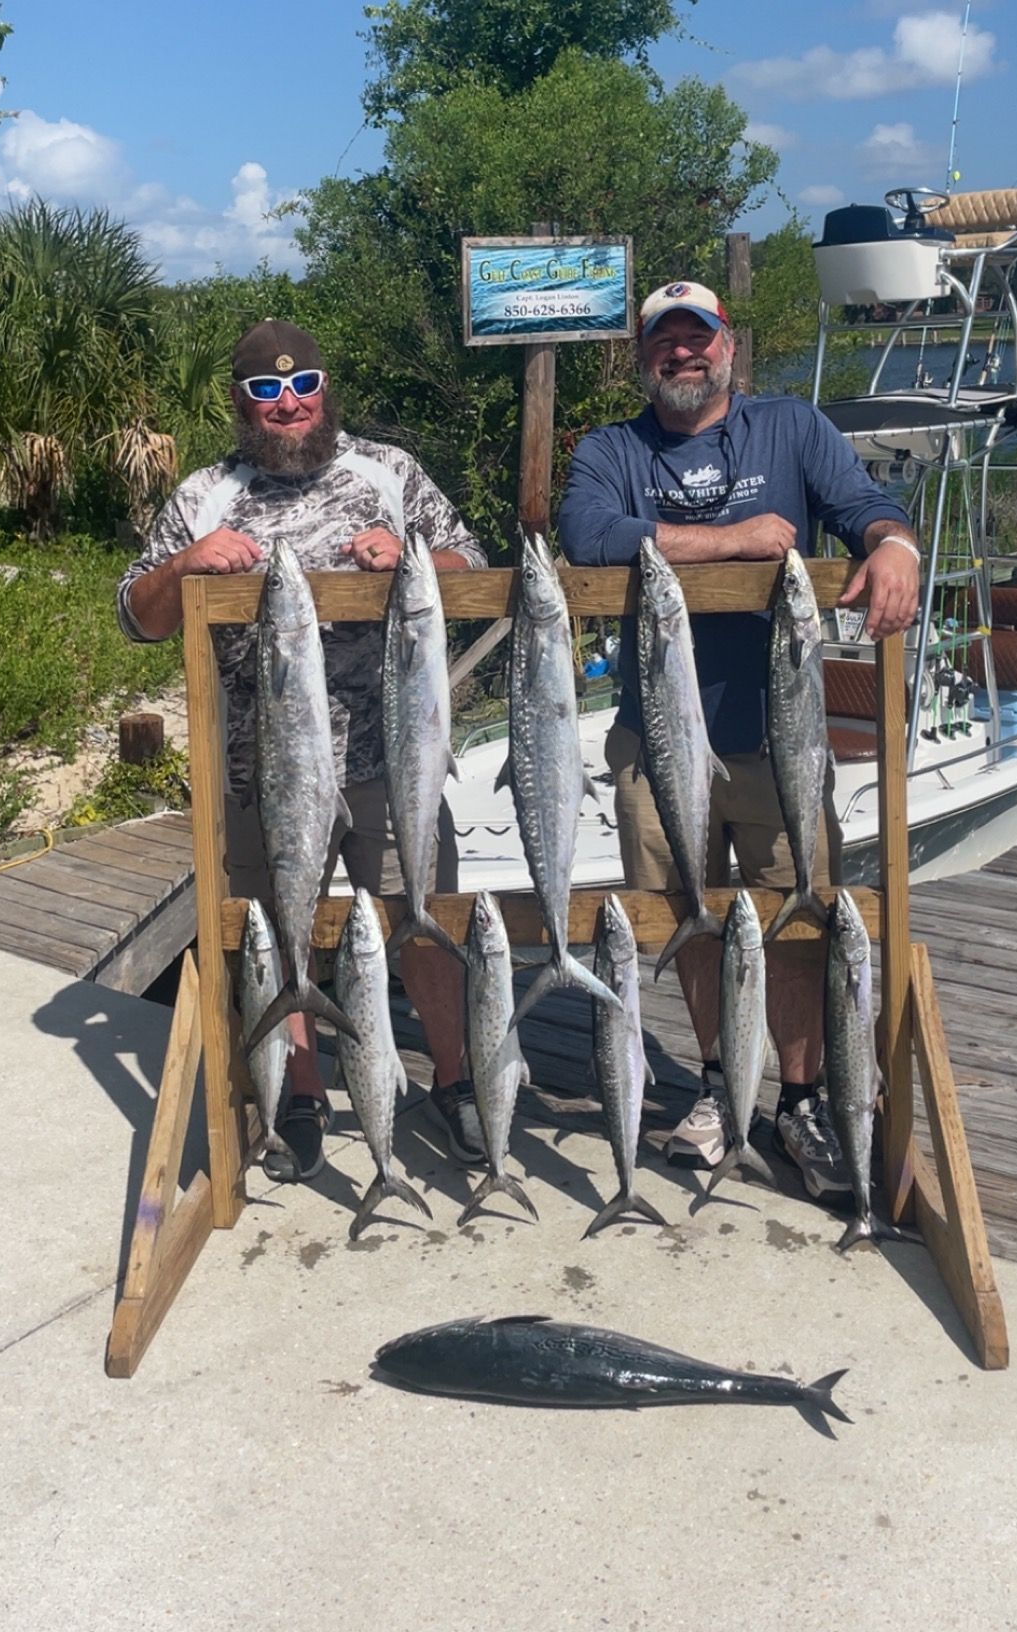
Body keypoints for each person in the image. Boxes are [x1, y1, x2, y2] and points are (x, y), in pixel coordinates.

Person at [557, 279, 921, 1197]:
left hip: (776, 739)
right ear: (643, 359)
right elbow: (587, 535)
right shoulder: (612, 449)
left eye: (698, 339)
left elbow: (862, 503)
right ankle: (722, 1083)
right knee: (690, 914)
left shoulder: (791, 428)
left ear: (729, 348)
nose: (682, 355)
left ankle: (801, 1098)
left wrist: (894, 546)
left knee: (795, 916)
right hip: (656, 742)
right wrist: (733, 540)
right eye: (664, 343)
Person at [117, 318, 488, 1181]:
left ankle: (458, 1081)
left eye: (302, 384)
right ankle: (302, 1090)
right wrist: (189, 564)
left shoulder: (389, 472)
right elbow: (137, 615)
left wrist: (417, 557)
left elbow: (472, 566)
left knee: (424, 923)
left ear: (325, 390)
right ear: (242, 403)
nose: (288, 402)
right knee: (280, 933)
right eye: (265, 390)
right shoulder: (205, 493)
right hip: (260, 773)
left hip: (392, 761)